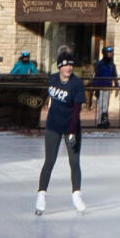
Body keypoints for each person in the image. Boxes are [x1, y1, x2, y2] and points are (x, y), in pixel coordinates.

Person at [35, 49, 86, 213]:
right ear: (59, 67)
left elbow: (77, 110)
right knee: (49, 161)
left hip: (72, 127)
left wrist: (72, 132)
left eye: (71, 65)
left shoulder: (76, 84)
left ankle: (76, 194)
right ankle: (41, 195)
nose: (68, 69)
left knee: (74, 161)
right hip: (53, 126)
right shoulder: (52, 79)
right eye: (65, 66)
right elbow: (44, 98)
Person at [92, 41, 119, 127]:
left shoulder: (112, 65)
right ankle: (100, 121)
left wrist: (116, 85)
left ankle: (104, 120)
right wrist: (96, 89)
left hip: (108, 86)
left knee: (106, 104)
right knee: (101, 105)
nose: (111, 54)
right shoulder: (100, 64)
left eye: (112, 52)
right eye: (109, 52)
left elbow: (115, 75)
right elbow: (97, 76)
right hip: (100, 87)